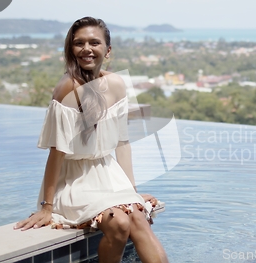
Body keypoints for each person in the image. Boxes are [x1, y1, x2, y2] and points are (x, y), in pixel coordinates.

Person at [14, 17, 168, 263]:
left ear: (107, 51)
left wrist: (132, 192)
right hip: (74, 181)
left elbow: (122, 143)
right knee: (118, 221)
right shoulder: (67, 89)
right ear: (71, 50)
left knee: (137, 215)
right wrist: (46, 206)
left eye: (94, 42)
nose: (87, 48)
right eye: (79, 43)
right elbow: (57, 153)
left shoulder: (117, 84)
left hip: (108, 174)